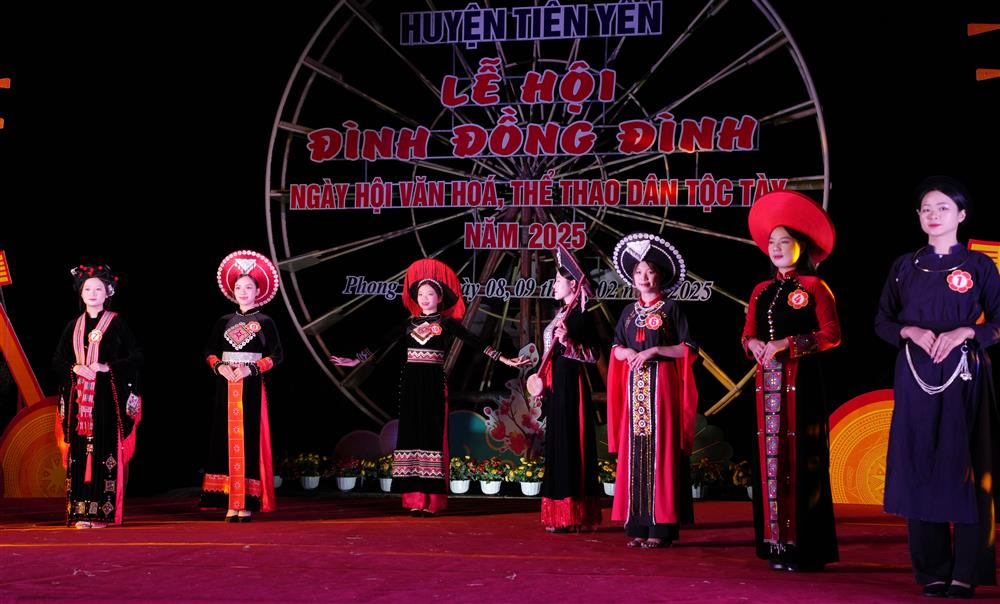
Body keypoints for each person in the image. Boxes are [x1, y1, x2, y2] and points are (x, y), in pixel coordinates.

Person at [876, 177, 1000, 598]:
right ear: (918, 216)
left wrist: (968, 331)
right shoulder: (904, 266)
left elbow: (998, 322)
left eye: (943, 208)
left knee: (965, 466)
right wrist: (908, 330)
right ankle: (931, 568)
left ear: (961, 215)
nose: (933, 215)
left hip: (964, 375)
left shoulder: (980, 266)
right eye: (926, 208)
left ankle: (967, 570)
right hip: (915, 374)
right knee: (920, 464)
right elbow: (882, 321)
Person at [331, 258, 528, 516]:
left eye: (430, 294)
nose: (424, 298)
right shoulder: (409, 323)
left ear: (440, 298)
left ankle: (432, 501)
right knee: (411, 435)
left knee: (431, 435)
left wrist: (505, 359)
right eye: (421, 294)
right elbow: (383, 342)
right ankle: (414, 499)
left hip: (433, 381)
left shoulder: (446, 323)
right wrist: (356, 359)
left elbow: (475, 342)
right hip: (411, 382)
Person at [741, 190, 840, 572]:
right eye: (772, 243)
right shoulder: (760, 290)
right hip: (765, 386)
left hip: (803, 385)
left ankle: (805, 548)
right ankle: (775, 545)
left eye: (784, 242)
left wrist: (788, 344)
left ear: (802, 246)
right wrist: (752, 344)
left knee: (802, 461)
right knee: (769, 460)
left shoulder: (815, 287)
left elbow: (832, 335)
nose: (777, 248)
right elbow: (747, 334)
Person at [606, 233, 698, 548]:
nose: (644, 277)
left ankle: (661, 528)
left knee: (662, 452)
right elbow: (616, 347)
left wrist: (654, 351)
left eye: (649, 271)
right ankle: (638, 525)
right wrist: (627, 353)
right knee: (635, 453)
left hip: (662, 389)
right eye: (638, 272)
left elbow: (688, 349)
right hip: (635, 391)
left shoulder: (672, 308)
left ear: (660, 275)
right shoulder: (628, 312)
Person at [54, 264, 142, 528]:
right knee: (79, 455)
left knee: (105, 452)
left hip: (106, 398)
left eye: (98, 289)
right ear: (80, 294)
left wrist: (107, 368)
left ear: (108, 293)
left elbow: (137, 357)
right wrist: (74, 368)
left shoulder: (117, 323)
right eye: (87, 289)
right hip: (79, 399)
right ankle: (81, 513)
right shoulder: (73, 326)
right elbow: (57, 360)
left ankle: (103, 513)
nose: (92, 293)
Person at [200, 250, 283, 522]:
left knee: (248, 440)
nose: (243, 292)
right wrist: (219, 366)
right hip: (225, 385)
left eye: (248, 287)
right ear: (232, 291)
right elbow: (209, 351)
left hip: (251, 387)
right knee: (224, 439)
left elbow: (278, 355)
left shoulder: (265, 322)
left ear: (258, 291)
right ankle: (229, 501)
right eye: (239, 288)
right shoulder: (223, 321)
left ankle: (245, 502)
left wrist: (251, 368)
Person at [536, 245, 602, 533]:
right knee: (556, 444)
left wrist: (569, 343)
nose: (553, 286)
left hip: (570, 386)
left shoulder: (581, 316)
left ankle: (573, 513)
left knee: (570, 444)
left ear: (573, 285)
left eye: (557, 281)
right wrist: (540, 380)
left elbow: (595, 355)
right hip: (554, 386)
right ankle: (558, 513)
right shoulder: (560, 314)